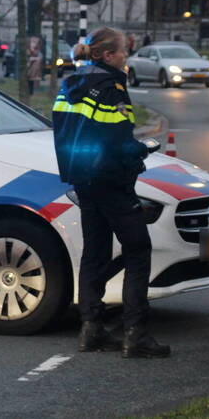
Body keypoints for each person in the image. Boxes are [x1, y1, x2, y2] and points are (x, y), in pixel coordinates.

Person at [52, 27, 170, 358]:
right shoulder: (111, 87)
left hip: (82, 180)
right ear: (107, 56)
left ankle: (90, 328)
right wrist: (139, 151)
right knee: (138, 250)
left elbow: (65, 134)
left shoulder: (69, 84)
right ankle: (136, 333)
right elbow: (117, 139)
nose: (126, 58)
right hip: (112, 183)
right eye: (123, 52)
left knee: (95, 253)